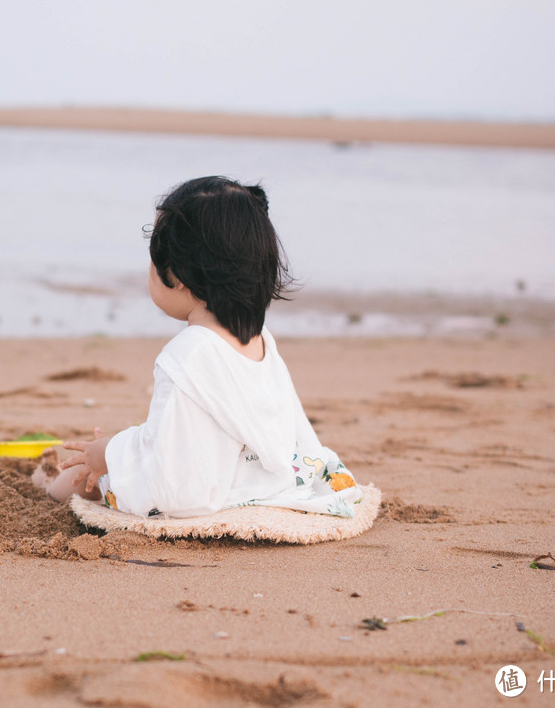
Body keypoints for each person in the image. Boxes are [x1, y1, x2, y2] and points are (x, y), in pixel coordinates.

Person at [36, 176, 362, 519]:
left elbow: (176, 476)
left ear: (174, 276)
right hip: (261, 478)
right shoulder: (259, 337)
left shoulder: (188, 354)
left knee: (80, 474)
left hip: (214, 493)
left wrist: (110, 453)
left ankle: (45, 486)